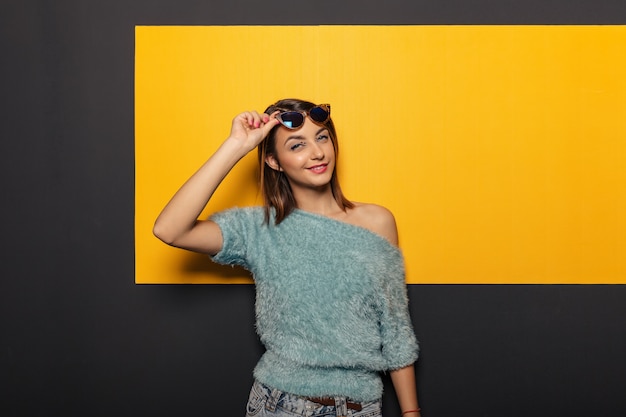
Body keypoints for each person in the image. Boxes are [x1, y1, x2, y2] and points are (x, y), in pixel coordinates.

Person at [153, 98, 421, 417]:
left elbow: (394, 328)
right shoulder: (260, 228)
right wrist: (236, 145)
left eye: (322, 137)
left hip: (361, 407)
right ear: (274, 161)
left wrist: (410, 412)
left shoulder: (378, 221)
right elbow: (170, 230)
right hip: (281, 406)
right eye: (297, 145)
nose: (317, 152)